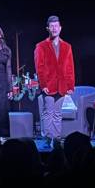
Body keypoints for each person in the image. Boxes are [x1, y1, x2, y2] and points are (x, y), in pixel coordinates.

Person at [34, 15, 75, 147]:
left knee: (57, 114)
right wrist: (43, 84)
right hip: (49, 85)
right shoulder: (41, 46)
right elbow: (39, 67)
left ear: (60, 28)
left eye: (56, 26)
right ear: (48, 29)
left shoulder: (67, 46)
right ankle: (47, 139)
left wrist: (70, 85)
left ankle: (56, 140)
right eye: (52, 26)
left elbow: (70, 67)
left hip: (62, 85)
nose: (54, 28)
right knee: (48, 113)